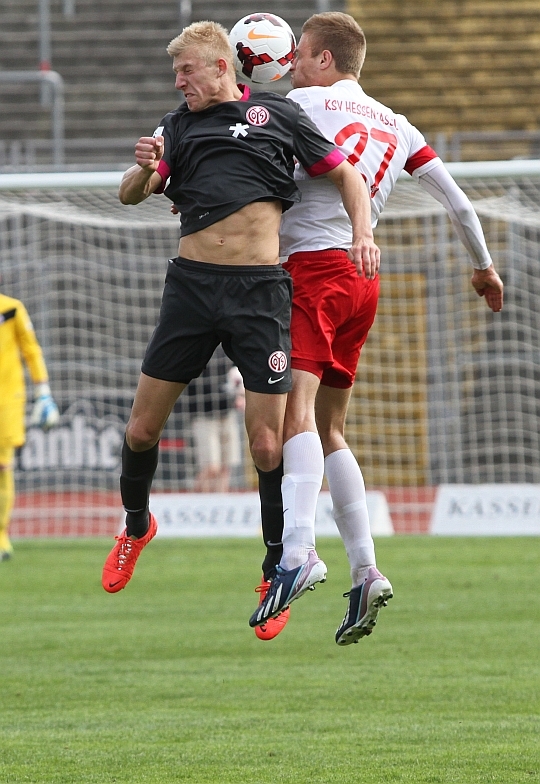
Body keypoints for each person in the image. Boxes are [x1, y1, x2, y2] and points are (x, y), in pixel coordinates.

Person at [250, 12, 504, 644]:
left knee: (295, 417)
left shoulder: (299, 106)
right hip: (364, 280)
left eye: (300, 55)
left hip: (313, 270)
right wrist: (483, 267)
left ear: (326, 59)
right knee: (331, 428)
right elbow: (459, 202)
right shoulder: (397, 122)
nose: (290, 65)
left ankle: (298, 551)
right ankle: (366, 570)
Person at [101, 20, 380, 594]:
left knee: (267, 443)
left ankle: (277, 565)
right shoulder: (176, 126)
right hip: (192, 289)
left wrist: (362, 233)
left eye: (186, 71)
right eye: (176, 73)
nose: (179, 82)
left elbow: (347, 175)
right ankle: (135, 525)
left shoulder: (279, 115)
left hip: (259, 293)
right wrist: (146, 167)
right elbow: (130, 193)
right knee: (142, 429)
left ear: (221, 67)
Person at [0, 288, 59, 560]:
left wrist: (43, 392)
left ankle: (1, 536)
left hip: (6, 401)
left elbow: (31, 349)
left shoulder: (10, 309)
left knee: (2, 467)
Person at [185, 346, 244, 492]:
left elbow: (236, 372)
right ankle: (196, 500)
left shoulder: (226, 349)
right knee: (211, 467)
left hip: (227, 414)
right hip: (204, 415)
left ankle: (221, 500)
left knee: (225, 467)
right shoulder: (195, 349)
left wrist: (239, 394)